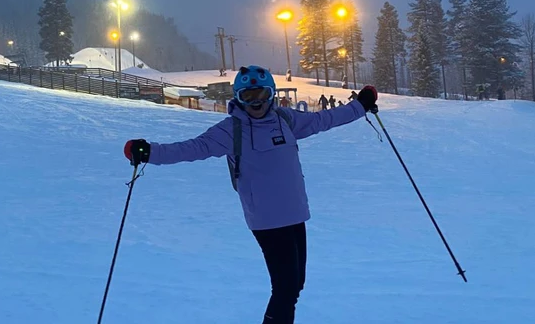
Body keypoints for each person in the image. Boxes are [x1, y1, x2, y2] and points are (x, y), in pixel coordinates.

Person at [123, 65, 379, 324]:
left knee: (295, 285)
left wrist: (360, 106)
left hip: (295, 212)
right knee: (286, 287)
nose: (256, 102)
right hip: (266, 218)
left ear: (272, 94)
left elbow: (324, 119)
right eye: (248, 96)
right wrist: (150, 152)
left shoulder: (286, 120)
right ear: (238, 97)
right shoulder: (231, 130)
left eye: (262, 95)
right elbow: (191, 148)